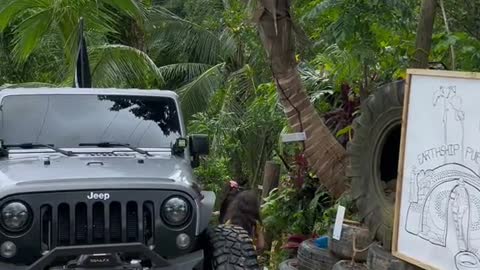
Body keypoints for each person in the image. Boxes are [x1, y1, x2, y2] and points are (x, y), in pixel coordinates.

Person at [218, 180, 265, 252]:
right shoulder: (255, 224)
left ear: (236, 205)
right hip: (248, 257)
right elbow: (261, 245)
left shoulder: (230, 221)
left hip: (231, 256)